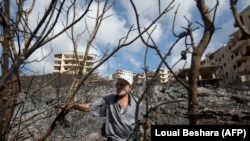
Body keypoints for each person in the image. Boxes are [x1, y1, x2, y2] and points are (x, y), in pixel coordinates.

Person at [64, 73, 146, 141]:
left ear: (130, 87)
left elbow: (144, 121)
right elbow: (90, 107)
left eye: (122, 85)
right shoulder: (108, 99)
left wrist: (146, 124)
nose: (119, 86)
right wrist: (73, 105)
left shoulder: (138, 103)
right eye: (117, 84)